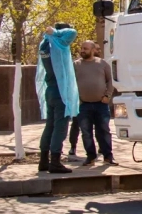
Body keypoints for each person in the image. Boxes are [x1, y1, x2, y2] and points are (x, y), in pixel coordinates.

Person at [36, 24, 80, 174]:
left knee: (50, 126)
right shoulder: (58, 43)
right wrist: (55, 32)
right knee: (60, 128)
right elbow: (72, 32)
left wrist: (52, 34)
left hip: (50, 90)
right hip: (61, 92)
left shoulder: (45, 44)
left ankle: (43, 161)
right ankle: (55, 162)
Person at [74, 40, 117, 166]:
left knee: (103, 131)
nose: (83, 50)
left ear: (93, 50)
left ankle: (108, 156)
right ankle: (90, 157)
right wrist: (77, 99)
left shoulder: (102, 64)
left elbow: (110, 81)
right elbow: (71, 84)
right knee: (86, 132)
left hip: (101, 104)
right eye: (82, 48)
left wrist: (107, 96)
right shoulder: (76, 65)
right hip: (83, 105)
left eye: (86, 48)